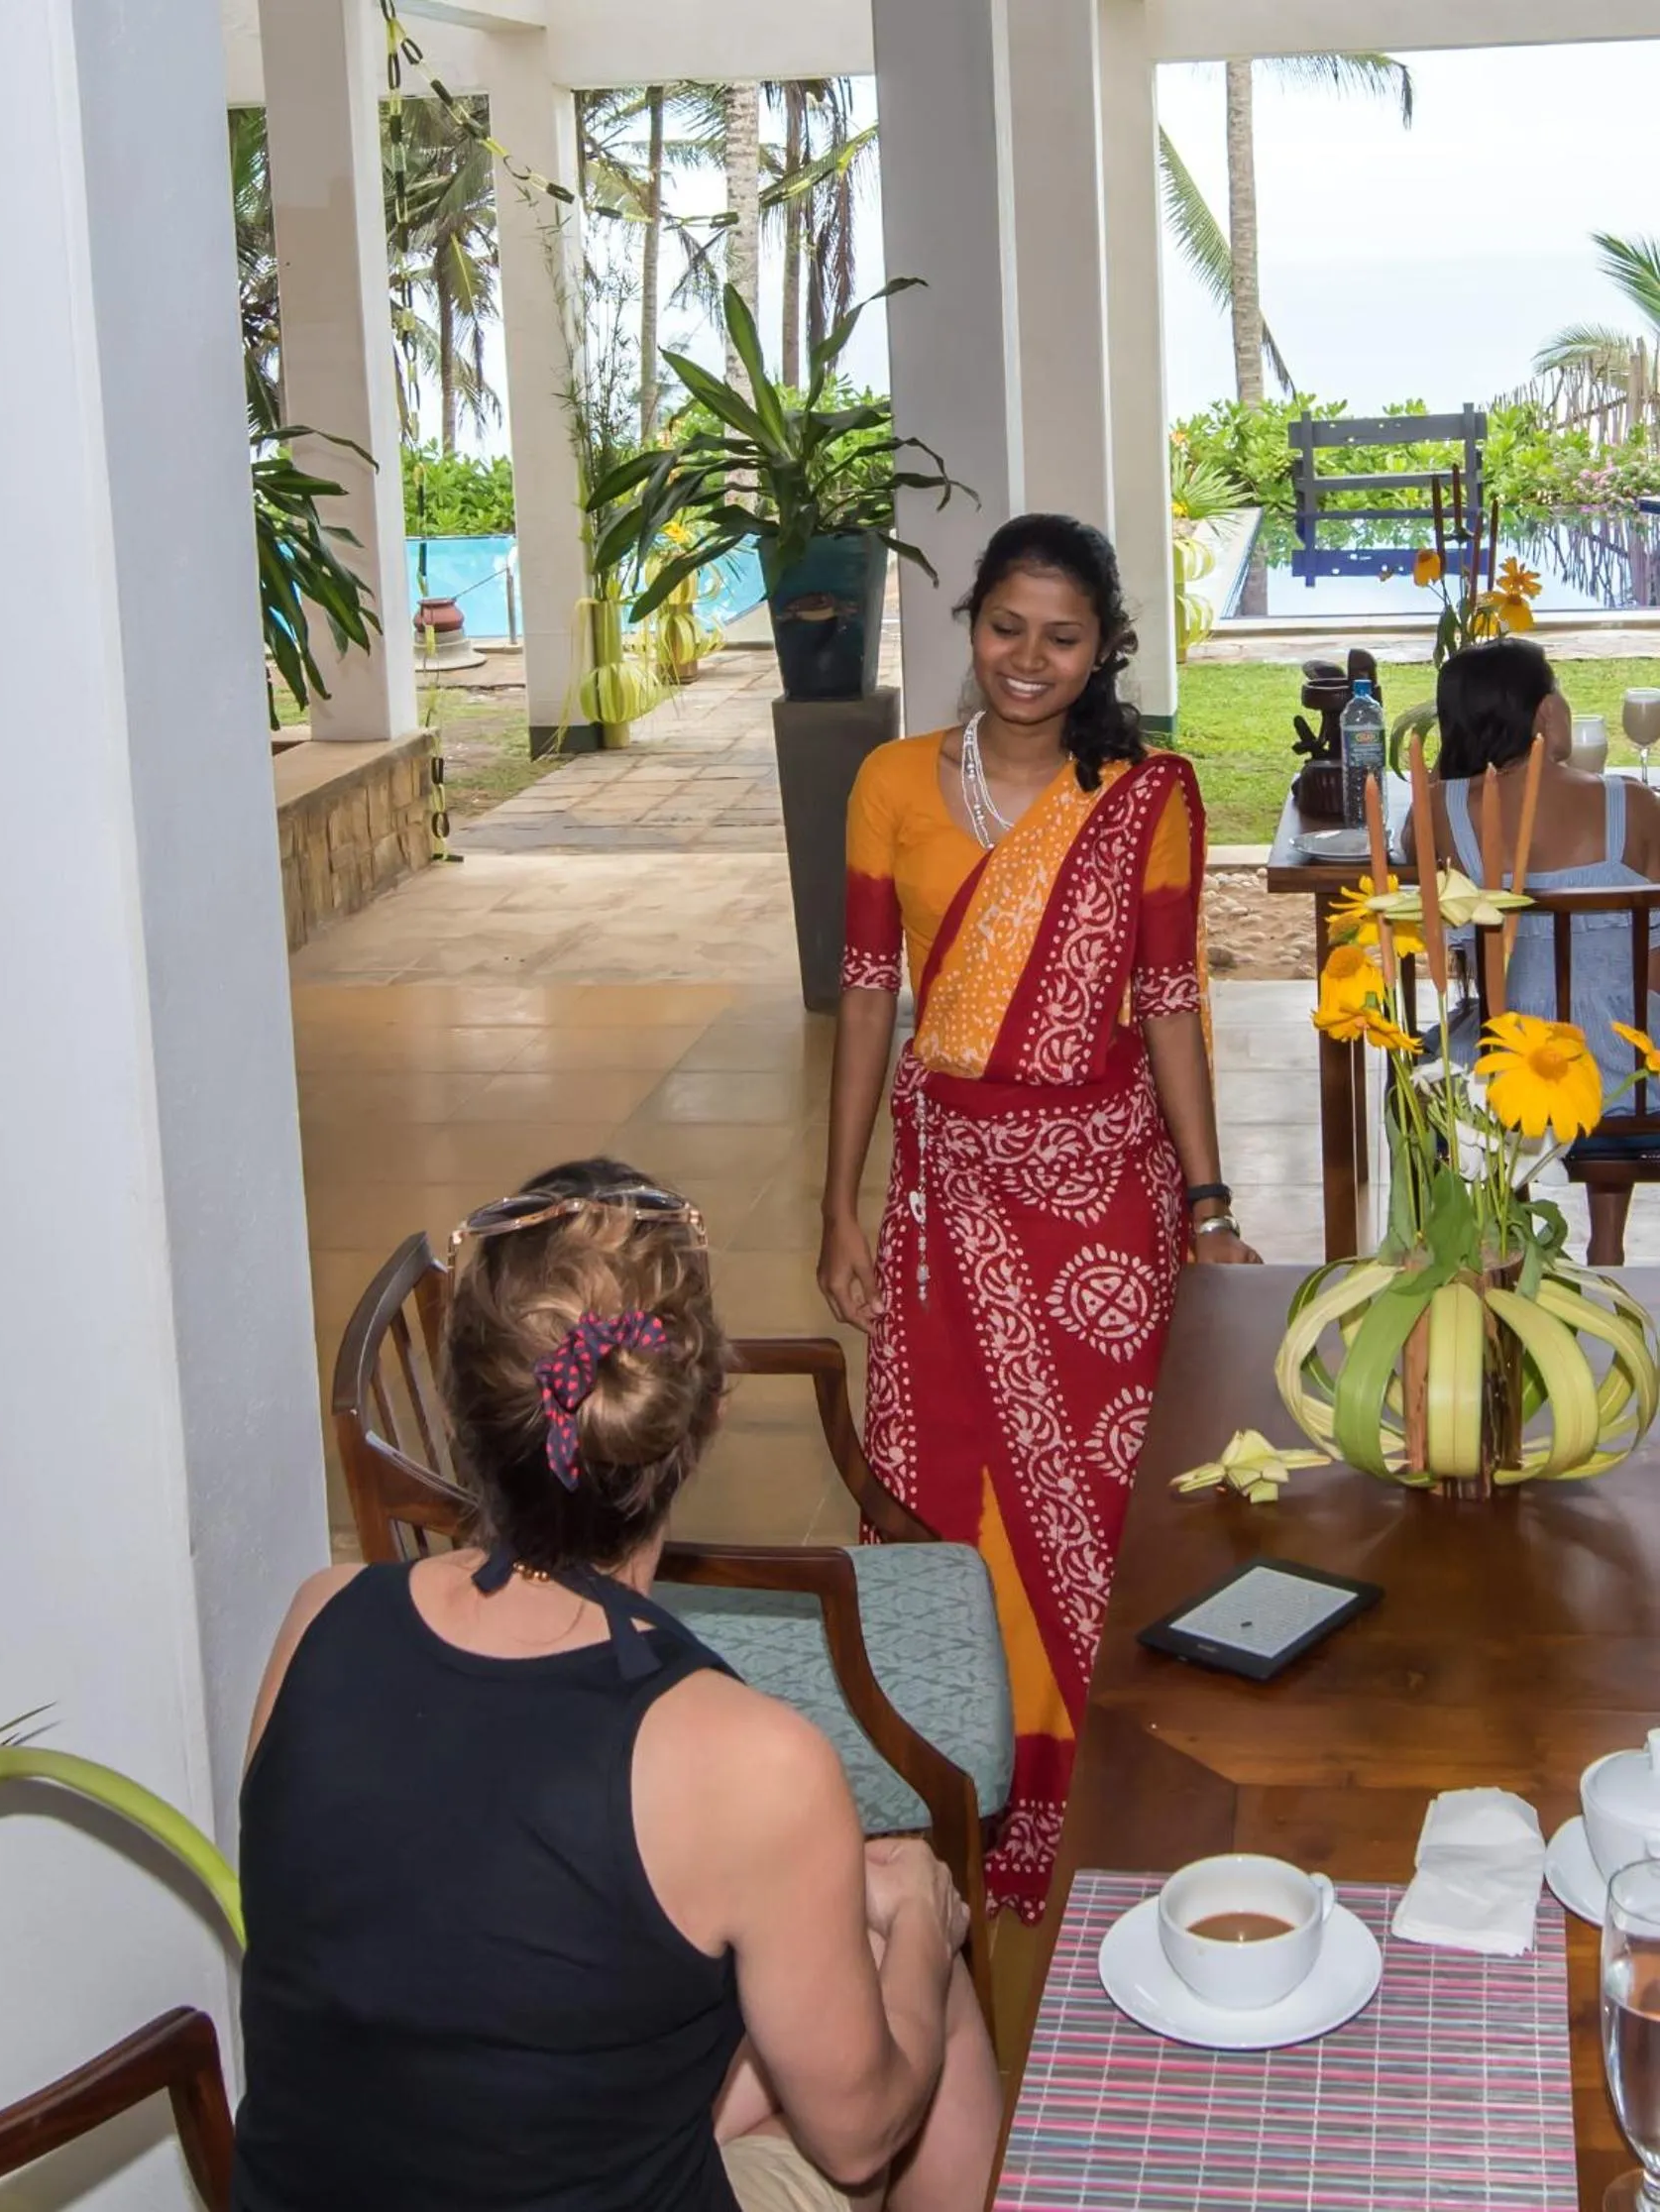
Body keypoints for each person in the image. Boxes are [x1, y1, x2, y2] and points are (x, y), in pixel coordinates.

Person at [236, 1160, 1002, 2212]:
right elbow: (862, 2135)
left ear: (469, 1410)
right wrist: (921, 1919)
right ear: (705, 1409)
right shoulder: (746, 1761)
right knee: (918, 1984)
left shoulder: (318, 1618)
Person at [817, 515, 1258, 1925]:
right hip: (950, 1194)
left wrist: (1206, 1203)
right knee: (955, 1490)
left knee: (1118, 1485)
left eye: (1062, 636)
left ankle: (1124, 1772)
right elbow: (870, 997)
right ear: (969, 625)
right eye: (1007, 626)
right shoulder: (890, 784)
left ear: (1104, 650)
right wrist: (844, 1199)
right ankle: (968, 1781)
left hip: (1106, 1201)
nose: (1029, 658)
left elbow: (1174, 1002)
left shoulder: (1147, 793)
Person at [1406, 634, 1660, 1264]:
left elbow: (1429, 911)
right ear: (1546, 711)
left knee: (1442, 1069)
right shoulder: (1634, 804)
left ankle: (1508, 1232)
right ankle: (1607, 1246)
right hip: (1626, 1079)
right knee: (1624, 1025)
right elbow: (1655, 964)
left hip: (1497, 1063)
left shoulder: (1438, 813)